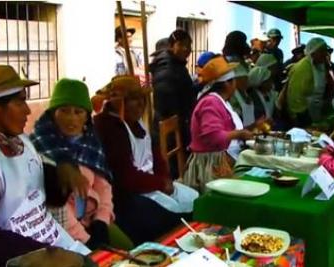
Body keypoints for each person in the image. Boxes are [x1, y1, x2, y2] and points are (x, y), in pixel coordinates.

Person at [0, 65, 90, 266]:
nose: (28, 110)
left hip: (44, 240)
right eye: (20, 102)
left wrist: (62, 176)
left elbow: (44, 194)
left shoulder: (16, 142)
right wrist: (42, 253)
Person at [93, 75, 198, 244]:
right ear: (120, 103)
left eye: (142, 99)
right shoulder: (108, 126)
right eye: (134, 100)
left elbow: (156, 155)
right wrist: (160, 184)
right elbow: (126, 177)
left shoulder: (137, 122)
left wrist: (164, 179)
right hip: (126, 195)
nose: (141, 104)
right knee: (170, 218)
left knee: (193, 198)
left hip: (149, 184)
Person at [30, 78, 132, 250]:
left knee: (129, 250)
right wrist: (87, 240)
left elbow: (103, 186)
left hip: (92, 218)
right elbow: (56, 210)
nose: (71, 119)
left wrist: (102, 219)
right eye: (64, 111)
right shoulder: (41, 148)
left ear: (87, 115)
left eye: (78, 112)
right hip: (62, 230)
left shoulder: (90, 142)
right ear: (53, 113)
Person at [184, 57, 255, 192]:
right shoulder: (210, 102)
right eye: (234, 81)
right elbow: (214, 137)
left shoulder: (219, 101)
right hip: (207, 165)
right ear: (228, 84)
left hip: (217, 159)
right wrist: (239, 134)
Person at [150, 29, 195, 178]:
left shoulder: (176, 64)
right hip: (169, 125)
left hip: (178, 121)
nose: (186, 49)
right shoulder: (166, 66)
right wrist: (181, 115)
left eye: (189, 45)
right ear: (171, 45)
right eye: (182, 45)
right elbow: (165, 97)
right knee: (172, 169)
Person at [286, 37, 329, 127]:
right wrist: (301, 119)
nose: (325, 54)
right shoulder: (303, 68)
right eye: (322, 51)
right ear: (313, 52)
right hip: (302, 115)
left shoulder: (321, 66)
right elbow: (295, 96)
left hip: (316, 112)